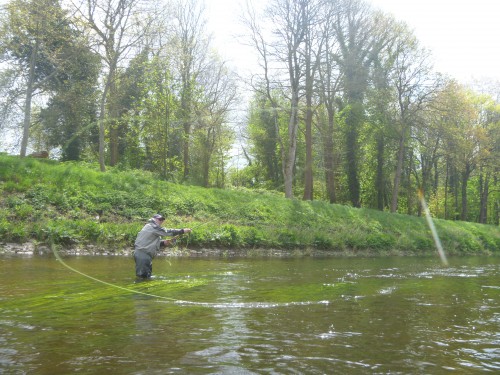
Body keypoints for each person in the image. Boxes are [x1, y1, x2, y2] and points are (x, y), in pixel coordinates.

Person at [133, 214, 192, 279]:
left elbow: (152, 242)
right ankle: (139, 288)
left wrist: (164, 243)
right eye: (160, 219)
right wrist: (182, 231)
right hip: (143, 254)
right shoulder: (152, 226)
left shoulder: (152, 228)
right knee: (143, 277)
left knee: (146, 275)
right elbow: (167, 232)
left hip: (144, 254)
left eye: (163, 220)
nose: (162, 221)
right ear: (154, 219)